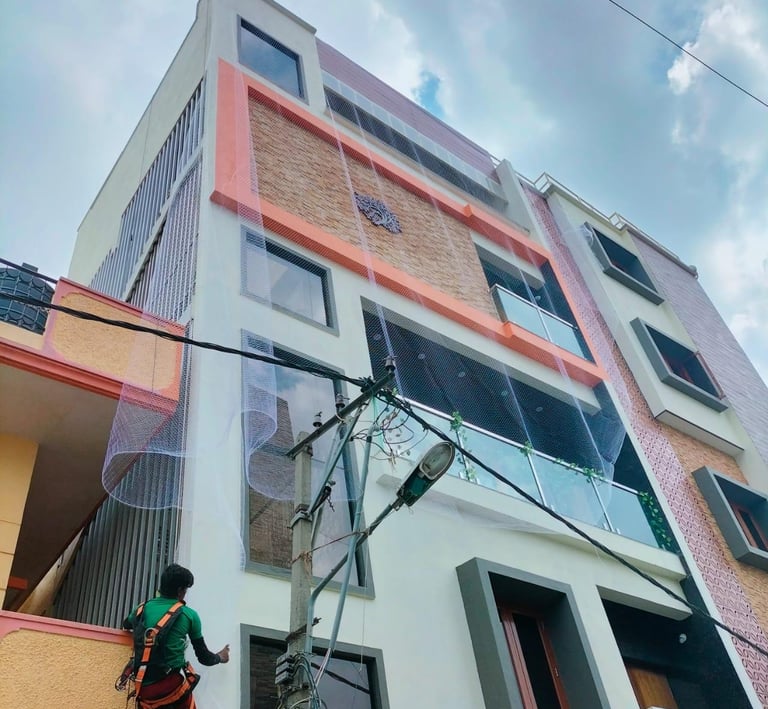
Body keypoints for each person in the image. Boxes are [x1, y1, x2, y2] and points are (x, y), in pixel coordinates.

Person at [123, 564, 229, 708]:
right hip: (171, 688)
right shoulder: (189, 615)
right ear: (180, 591)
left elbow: (127, 624)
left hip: (144, 689)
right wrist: (221, 657)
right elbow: (204, 657)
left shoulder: (141, 609)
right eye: (186, 589)